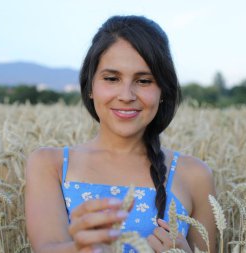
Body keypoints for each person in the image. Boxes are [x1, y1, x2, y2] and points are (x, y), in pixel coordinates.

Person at [25, 15, 216, 253]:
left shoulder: (196, 176)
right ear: (90, 86)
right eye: (112, 78)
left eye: (144, 81)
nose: (126, 95)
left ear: (163, 91)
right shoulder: (48, 165)